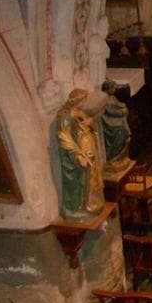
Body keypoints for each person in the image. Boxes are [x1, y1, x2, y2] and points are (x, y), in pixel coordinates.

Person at [56, 89, 105, 220]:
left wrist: (90, 123)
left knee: (90, 178)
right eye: (83, 100)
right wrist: (78, 155)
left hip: (88, 150)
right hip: (77, 155)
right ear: (77, 101)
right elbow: (64, 137)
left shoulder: (78, 112)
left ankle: (88, 203)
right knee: (79, 181)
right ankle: (74, 209)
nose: (84, 103)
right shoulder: (65, 116)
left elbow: (89, 123)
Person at [100, 80, 131, 171]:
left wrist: (123, 107)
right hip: (111, 123)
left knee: (124, 136)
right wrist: (123, 111)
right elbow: (111, 111)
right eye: (113, 88)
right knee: (119, 137)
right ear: (108, 89)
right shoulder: (105, 99)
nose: (115, 90)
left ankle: (119, 158)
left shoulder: (111, 97)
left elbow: (119, 104)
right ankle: (113, 158)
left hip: (117, 121)